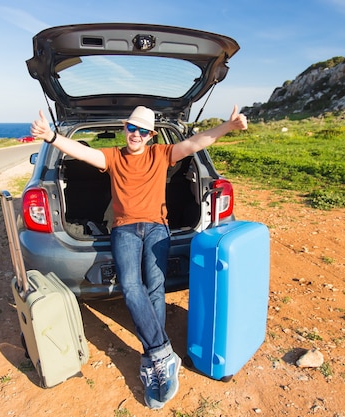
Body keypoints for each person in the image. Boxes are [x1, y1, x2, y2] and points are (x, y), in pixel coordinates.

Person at [30, 105, 247, 409]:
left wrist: (228, 126)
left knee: (156, 289)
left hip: (158, 228)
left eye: (143, 131)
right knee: (131, 288)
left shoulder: (161, 154)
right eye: (132, 128)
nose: (136, 134)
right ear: (125, 128)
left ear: (151, 136)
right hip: (124, 230)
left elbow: (196, 143)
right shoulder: (113, 157)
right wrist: (52, 136)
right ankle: (161, 353)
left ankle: (152, 360)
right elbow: (81, 153)